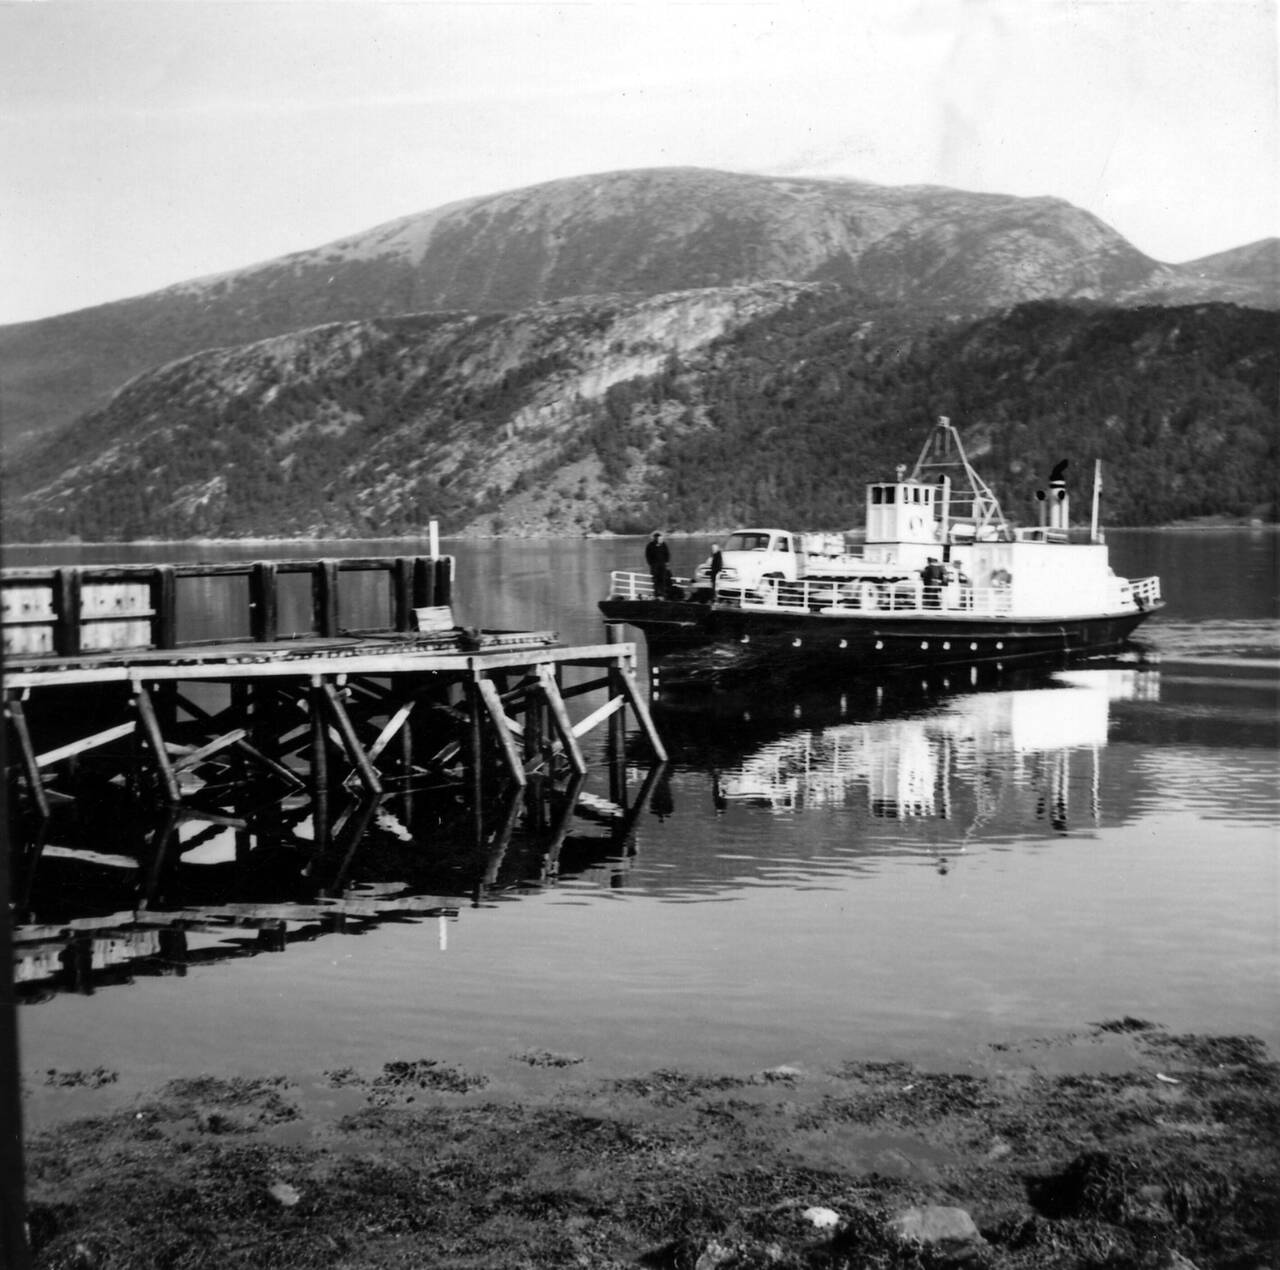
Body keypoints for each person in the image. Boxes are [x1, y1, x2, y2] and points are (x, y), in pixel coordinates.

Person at [645, 530, 671, 598]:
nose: (659, 539)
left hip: (662, 565)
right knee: (655, 580)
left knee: (663, 579)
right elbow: (647, 555)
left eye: (660, 538)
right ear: (654, 538)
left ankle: (663, 593)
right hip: (654, 565)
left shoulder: (664, 544)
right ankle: (656, 594)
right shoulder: (650, 545)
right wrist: (651, 564)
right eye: (658, 538)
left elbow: (667, 554)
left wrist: (667, 562)